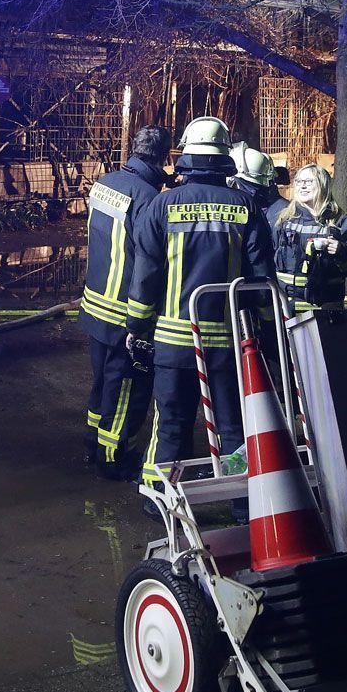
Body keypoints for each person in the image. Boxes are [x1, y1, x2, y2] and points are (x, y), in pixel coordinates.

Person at [128, 116, 275, 485]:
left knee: (172, 424)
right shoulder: (246, 207)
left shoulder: (162, 207)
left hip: (174, 344)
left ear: (185, 158)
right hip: (229, 346)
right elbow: (261, 280)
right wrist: (266, 329)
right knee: (233, 428)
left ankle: (164, 499)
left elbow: (145, 276)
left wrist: (138, 327)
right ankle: (245, 504)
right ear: (225, 158)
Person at [78, 125, 170, 479]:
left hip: (95, 302)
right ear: (162, 156)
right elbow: (148, 261)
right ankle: (113, 458)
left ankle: (92, 441)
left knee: (101, 379)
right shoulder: (148, 197)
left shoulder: (104, 183)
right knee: (126, 386)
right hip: (122, 311)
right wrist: (142, 319)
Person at [274, 163, 347, 314]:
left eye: (309, 182)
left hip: (327, 308)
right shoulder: (284, 220)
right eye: (299, 182)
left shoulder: (340, 222)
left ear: (323, 185)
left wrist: (342, 251)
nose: (302, 186)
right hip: (287, 307)